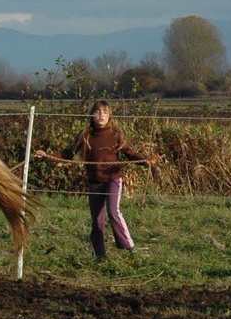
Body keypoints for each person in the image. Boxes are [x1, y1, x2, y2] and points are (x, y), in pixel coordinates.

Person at [35, 100, 161, 260]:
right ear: (92, 115)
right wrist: (47, 156)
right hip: (95, 180)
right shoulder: (85, 135)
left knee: (113, 211)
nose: (101, 116)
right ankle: (100, 254)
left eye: (105, 113)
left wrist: (146, 161)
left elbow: (129, 152)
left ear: (109, 116)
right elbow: (68, 153)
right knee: (97, 219)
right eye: (98, 112)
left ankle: (129, 247)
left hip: (113, 178)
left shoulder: (115, 134)